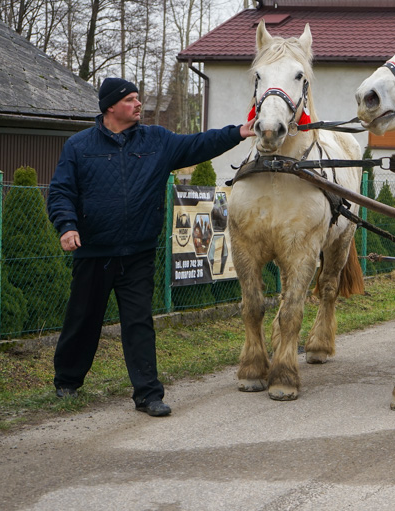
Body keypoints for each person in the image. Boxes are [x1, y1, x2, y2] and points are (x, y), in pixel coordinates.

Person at [47, 77, 256, 417]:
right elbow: (61, 192)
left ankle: (148, 394)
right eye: (130, 99)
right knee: (83, 318)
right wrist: (67, 226)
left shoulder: (157, 140)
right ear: (110, 106)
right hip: (94, 252)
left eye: (138, 98)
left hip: (138, 252)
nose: (138, 104)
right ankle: (67, 382)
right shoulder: (79, 146)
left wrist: (237, 133)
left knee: (139, 322)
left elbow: (197, 144)